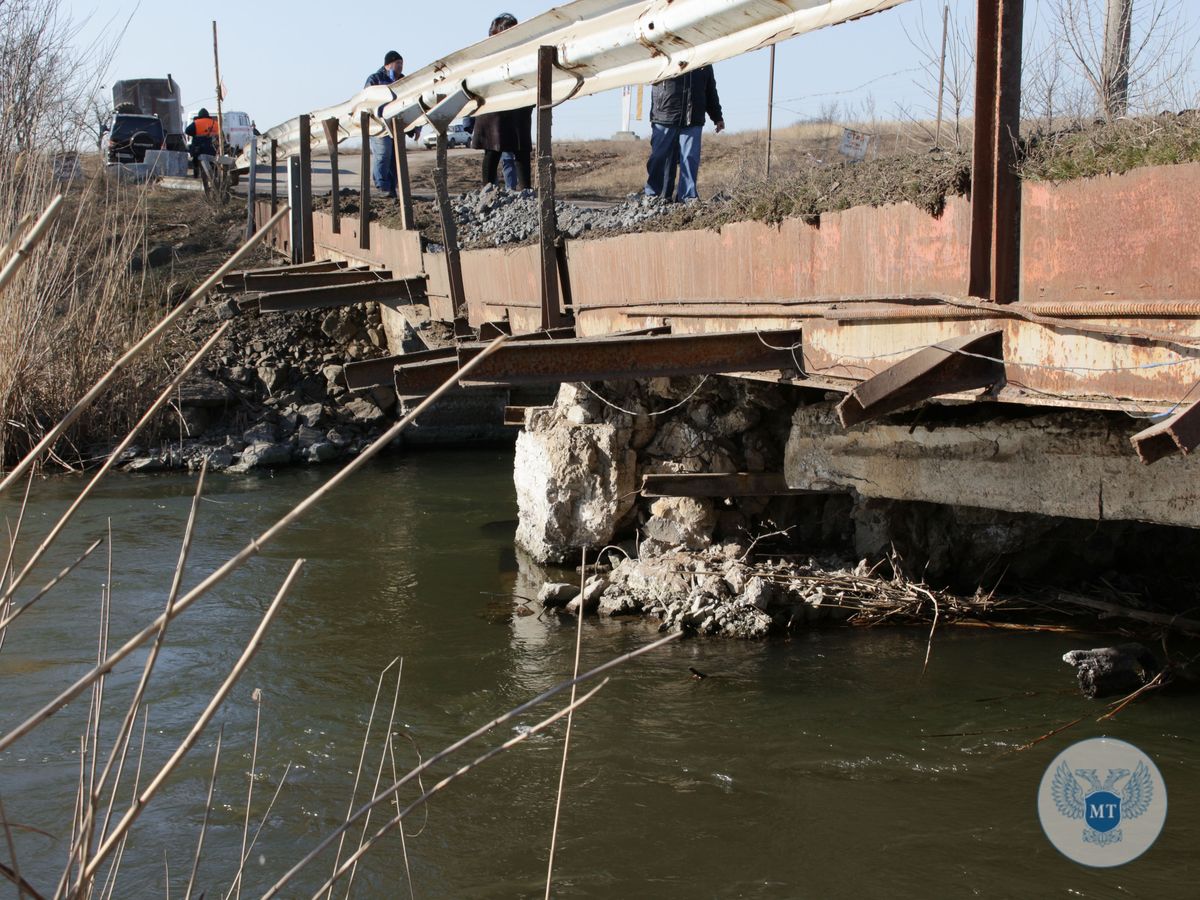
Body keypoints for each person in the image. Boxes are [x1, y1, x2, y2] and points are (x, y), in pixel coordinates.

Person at [469, 14, 532, 190]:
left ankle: (526, 192)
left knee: (521, 151)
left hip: (518, 105)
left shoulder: (524, 51)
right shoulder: (487, 54)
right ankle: (487, 191)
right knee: (492, 149)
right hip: (494, 108)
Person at [643, 66, 724, 202]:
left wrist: (717, 117)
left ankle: (687, 197)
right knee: (659, 157)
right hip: (664, 115)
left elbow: (710, 89)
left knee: (690, 158)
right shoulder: (666, 52)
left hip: (693, 117)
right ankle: (653, 195)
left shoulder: (705, 59)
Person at [364, 50, 405, 198]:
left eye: (402, 64)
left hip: (397, 126)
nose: (400, 67)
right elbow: (368, 100)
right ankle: (382, 186)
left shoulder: (403, 81)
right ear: (388, 65)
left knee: (396, 158)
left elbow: (410, 102)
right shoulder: (375, 79)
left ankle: (392, 189)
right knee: (383, 154)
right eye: (397, 63)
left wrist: (416, 128)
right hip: (379, 126)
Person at [184, 107, 218, 179]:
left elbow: (187, 131)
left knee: (196, 162)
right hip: (212, 148)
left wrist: (195, 134)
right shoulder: (215, 123)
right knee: (212, 163)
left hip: (199, 148)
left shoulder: (196, 123)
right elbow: (221, 136)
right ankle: (214, 178)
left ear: (199, 116)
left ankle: (196, 176)